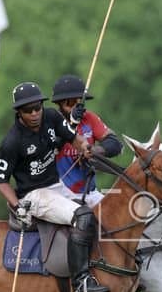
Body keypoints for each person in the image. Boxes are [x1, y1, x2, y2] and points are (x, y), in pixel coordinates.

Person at [0, 81, 103, 292]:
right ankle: (81, 282)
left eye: (37, 107)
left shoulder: (51, 117)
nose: (34, 113)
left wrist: (85, 148)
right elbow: (1, 180)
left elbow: (74, 137)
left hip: (58, 187)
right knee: (82, 217)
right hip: (35, 196)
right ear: (18, 112)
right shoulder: (12, 142)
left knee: (105, 215)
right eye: (28, 110)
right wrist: (17, 206)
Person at [50, 74, 123, 209]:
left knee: (118, 216)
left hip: (90, 194)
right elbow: (51, 147)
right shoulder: (50, 121)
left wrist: (96, 150)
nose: (77, 107)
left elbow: (115, 143)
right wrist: (71, 124)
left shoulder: (89, 118)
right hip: (58, 194)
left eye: (79, 102)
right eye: (71, 103)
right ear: (60, 103)